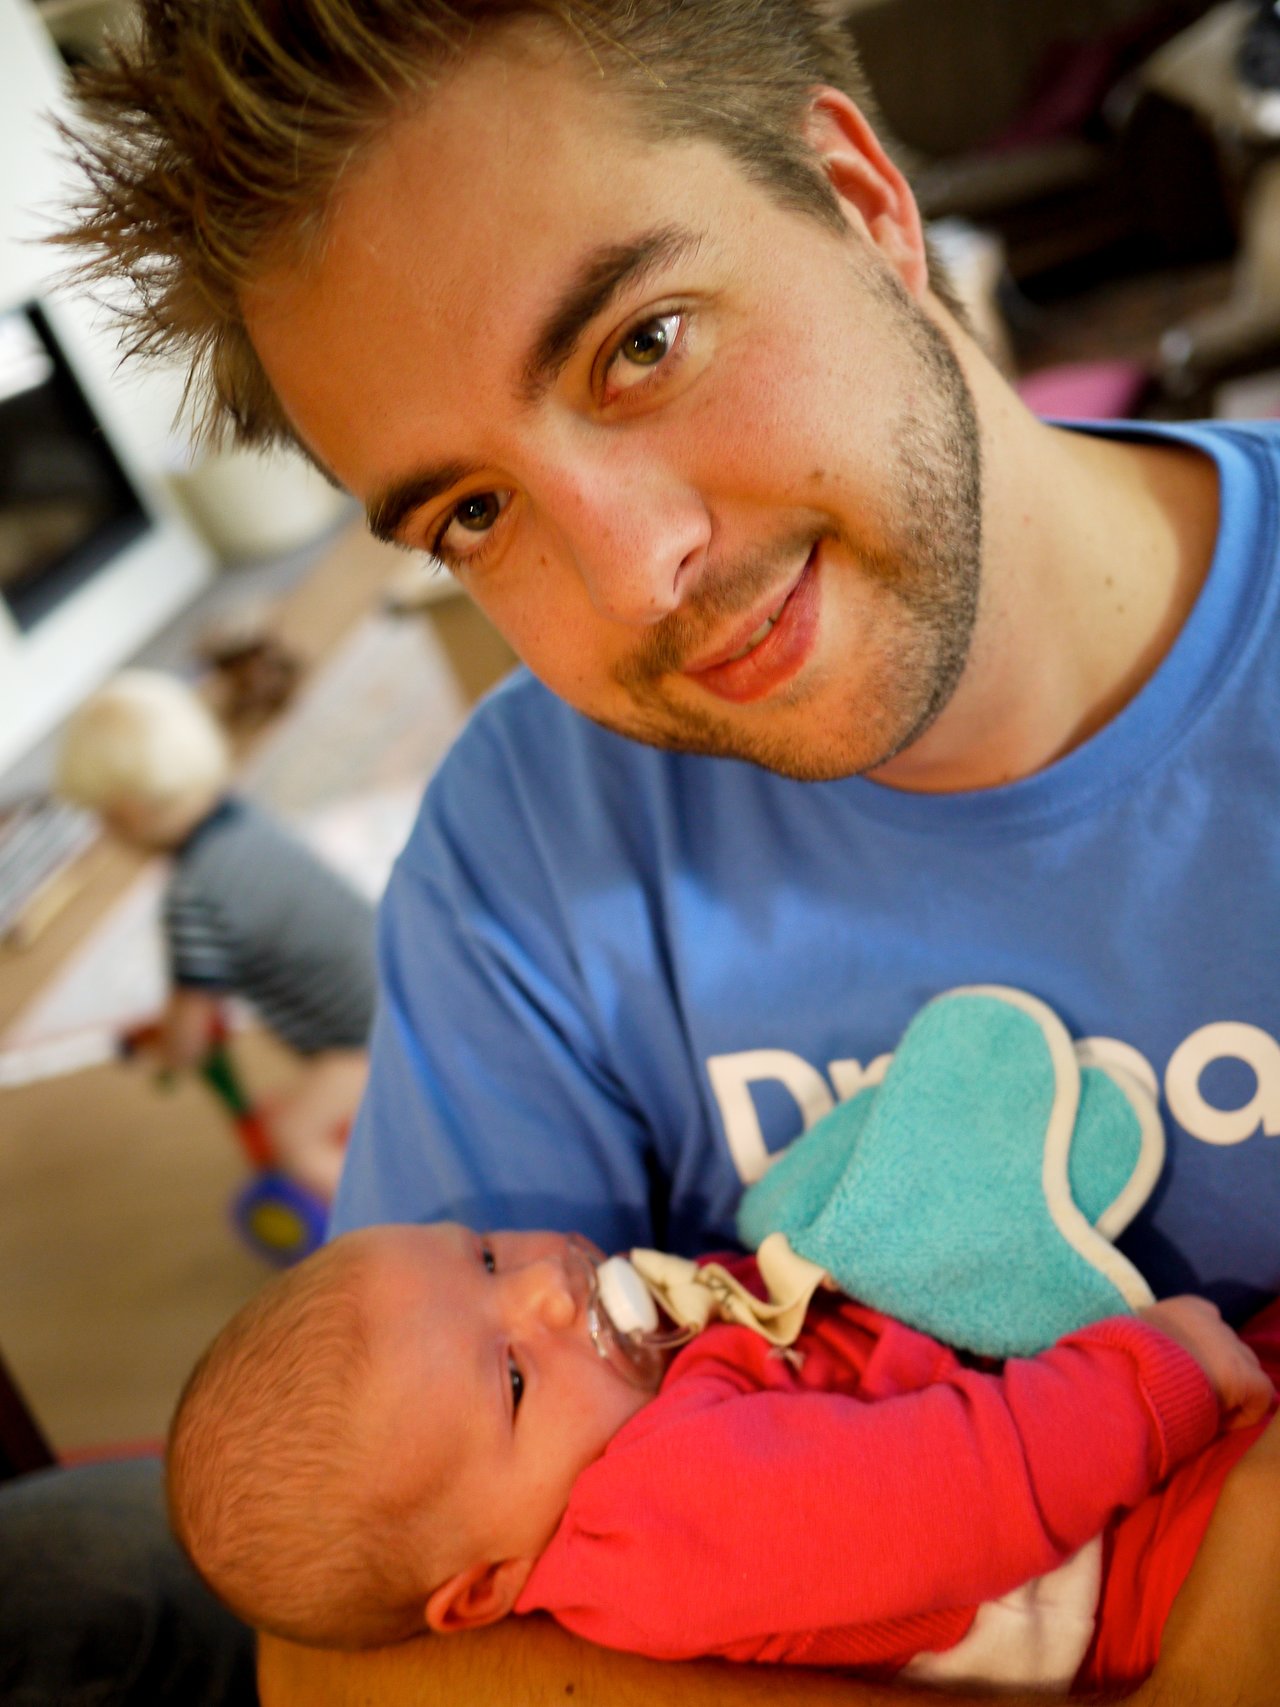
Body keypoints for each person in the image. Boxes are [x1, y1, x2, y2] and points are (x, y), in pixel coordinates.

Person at [11, 0, 1280, 1701]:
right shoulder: (534, 836)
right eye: (472, 510)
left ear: (862, 199)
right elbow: (347, 1657)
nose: (636, 575)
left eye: (642, 341)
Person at [165, 1221, 1276, 1695]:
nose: (546, 1288)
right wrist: (1147, 1381)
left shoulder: (625, 1410)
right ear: (484, 1585)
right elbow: (952, 1488)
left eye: (485, 1252)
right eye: (510, 1379)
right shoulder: (651, 1519)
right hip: (1147, 1554)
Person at [57, 668, 376, 1197]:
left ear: (130, 811)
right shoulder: (246, 820)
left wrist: (168, 1050)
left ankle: (388, 1225)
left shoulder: (194, 898)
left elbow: (187, 1035)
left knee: (290, 1134)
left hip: (366, 1041)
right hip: (406, 975)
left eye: (103, 818)